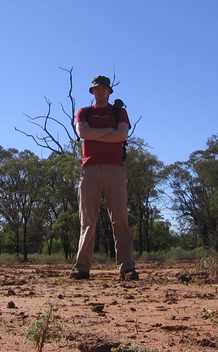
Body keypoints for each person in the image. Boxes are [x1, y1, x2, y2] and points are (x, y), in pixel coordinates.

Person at [69, 75, 139, 281]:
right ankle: (81, 268)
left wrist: (96, 132)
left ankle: (127, 267)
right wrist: (109, 130)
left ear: (109, 91)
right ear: (92, 92)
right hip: (89, 169)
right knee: (88, 221)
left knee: (120, 220)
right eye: (96, 89)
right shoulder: (85, 111)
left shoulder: (119, 112)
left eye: (103, 89)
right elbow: (82, 132)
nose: (100, 92)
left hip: (115, 169)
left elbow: (122, 136)